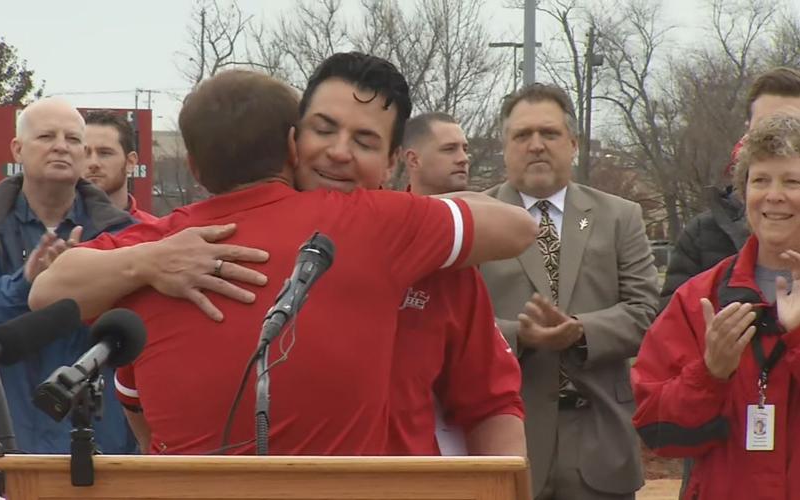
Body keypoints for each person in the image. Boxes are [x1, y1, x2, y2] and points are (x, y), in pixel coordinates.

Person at [31, 67, 537, 455]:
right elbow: (128, 390)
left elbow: (492, 405)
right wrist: (149, 261)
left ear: (392, 163)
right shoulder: (164, 251)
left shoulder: (416, 243)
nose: (338, 153)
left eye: (363, 140)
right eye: (324, 129)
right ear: (294, 143)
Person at [480, 83, 659, 499]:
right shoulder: (475, 219)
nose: (537, 145)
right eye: (522, 136)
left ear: (573, 143)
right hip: (507, 437)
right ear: (504, 147)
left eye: (550, 133)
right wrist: (516, 336)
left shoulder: (620, 216)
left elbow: (646, 311)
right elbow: (453, 324)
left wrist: (580, 330)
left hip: (597, 439)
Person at [0, 97, 139, 453]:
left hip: (102, 447)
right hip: (7, 445)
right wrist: (26, 285)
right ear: (17, 149)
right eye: (46, 136)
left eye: (73, 140)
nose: (61, 146)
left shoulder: (123, 235)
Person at [632, 113, 800, 500]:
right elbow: (657, 430)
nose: (774, 195)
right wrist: (710, 375)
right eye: (761, 180)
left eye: (791, 181)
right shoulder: (699, 299)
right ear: (744, 193)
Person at [394, 111, 524, 455]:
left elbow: (491, 393)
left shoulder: (489, 223)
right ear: (412, 158)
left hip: (448, 453)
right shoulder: (381, 234)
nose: (464, 157)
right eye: (450, 149)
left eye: (465, 148)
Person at [661, 67, 800, 307]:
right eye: (767, 128)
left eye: (793, 128)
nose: (779, 140)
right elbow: (668, 334)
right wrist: (712, 346)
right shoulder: (702, 236)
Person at [84, 110, 157, 222]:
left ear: (130, 162)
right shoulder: (55, 232)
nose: (93, 163)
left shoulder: (157, 233)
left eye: (104, 153)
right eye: (84, 153)